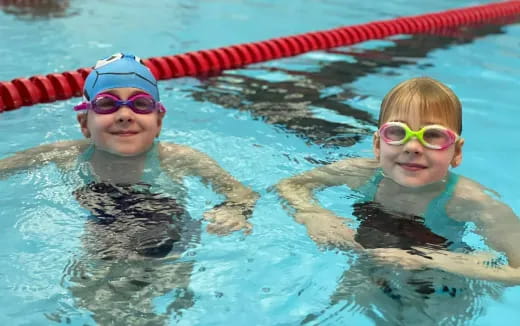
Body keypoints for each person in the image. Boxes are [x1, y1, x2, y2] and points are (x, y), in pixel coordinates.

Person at [0, 53, 259, 325]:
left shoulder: (181, 158)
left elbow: (243, 194)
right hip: (103, 231)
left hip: (169, 238)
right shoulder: (62, 154)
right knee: (92, 296)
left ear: (159, 121)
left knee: (163, 299)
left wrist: (233, 210)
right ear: (84, 124)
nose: (125, 115)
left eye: (141, 104)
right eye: (107, 104)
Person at [277, 77, 520, 324]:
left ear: (456, 152)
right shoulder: (360, 174)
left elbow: (517, 271)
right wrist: (314, 216)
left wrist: (429, 259)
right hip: (372, 269)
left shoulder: (468, 201)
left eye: (433, 135)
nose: (413, 146)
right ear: (377, 145)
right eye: (397, 132)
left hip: (441, 286)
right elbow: (290, 185)